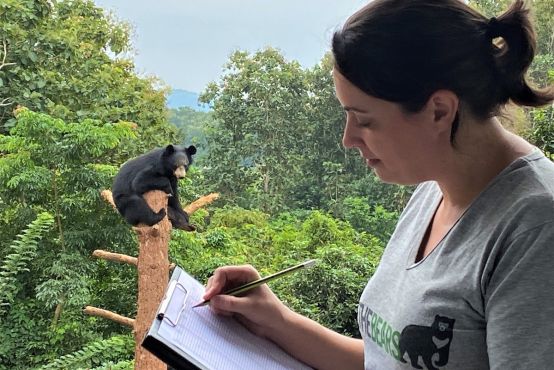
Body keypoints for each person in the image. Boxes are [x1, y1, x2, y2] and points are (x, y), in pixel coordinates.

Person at [202, 0, 554, 369]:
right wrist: (277, 322)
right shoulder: (433, 191)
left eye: (364, 120)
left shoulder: (535, 229)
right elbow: (386, 361)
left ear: (440, 110)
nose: (348, 138)